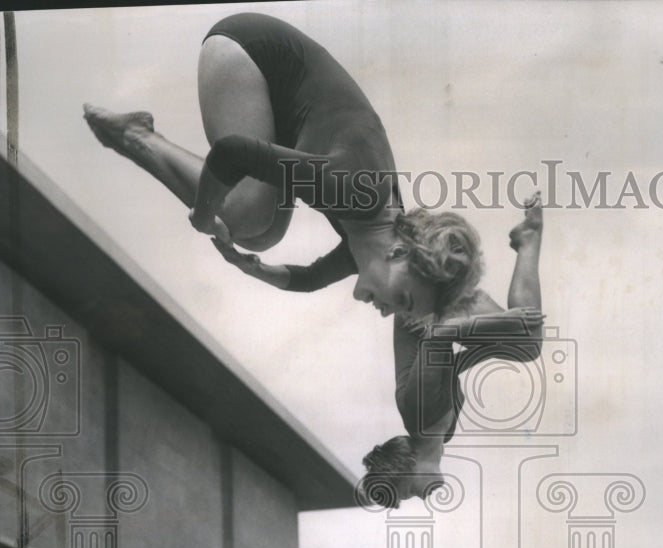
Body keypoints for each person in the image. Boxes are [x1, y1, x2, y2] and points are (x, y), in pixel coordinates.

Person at [83, 13, 493, 330]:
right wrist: (203, 215)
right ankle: (138, 136)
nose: (388, 314)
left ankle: (139, 138)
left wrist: (257, 271)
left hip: (279, 105)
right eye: (403, 299)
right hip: (247, 51)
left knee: (263, 236)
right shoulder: (354, 191)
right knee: (248, 215)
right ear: (400, 253)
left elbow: (313, 277)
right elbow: (231, 154)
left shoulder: (378, 230)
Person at [360, 194, 545, 507]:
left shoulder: (421, 418)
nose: (418, 497)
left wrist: (506, 322)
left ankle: (529, 238)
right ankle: (528, 239)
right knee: (526, 346)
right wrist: (499, 343)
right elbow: (453, 364)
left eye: (405, 492)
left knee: (527, 342)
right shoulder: (442, 433)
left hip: (422, 306)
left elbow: (439, 336)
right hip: (432, 316)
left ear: (404, 469)